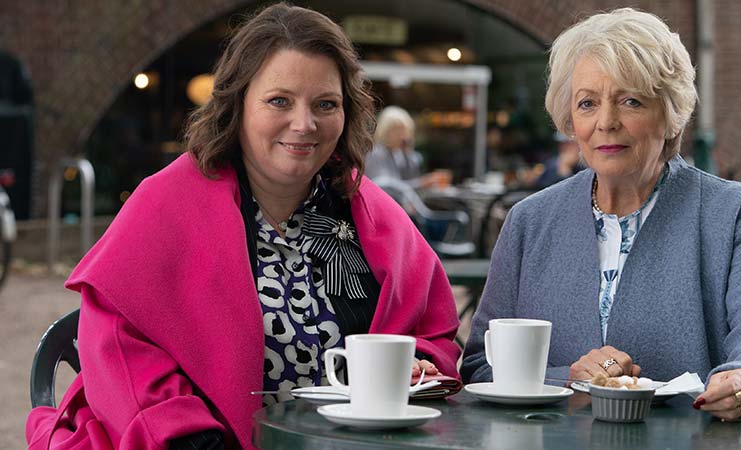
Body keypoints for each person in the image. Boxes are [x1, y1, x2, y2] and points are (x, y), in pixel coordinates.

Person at [26, 4, 460, 449]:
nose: (304, 123)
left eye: (325, 104)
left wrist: (418, 366)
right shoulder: (168, 203)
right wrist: (188, 437)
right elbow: (118, 345)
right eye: (279, 101)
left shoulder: (368, 210)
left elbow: (433, 333)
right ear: (238, 105)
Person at [461, 8, 741, 423]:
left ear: (671, 112)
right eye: (587, 103)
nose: (606, 122)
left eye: (631, 101)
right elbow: (481, 363)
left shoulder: (733, 213)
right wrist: (565, 378)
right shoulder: (529, 221)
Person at [366, 105, 450, 189]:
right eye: (398, 131)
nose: (403, 136)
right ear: (385, 131)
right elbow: (389, 188)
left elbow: (410, 177)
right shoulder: (376, 154)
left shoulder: (397, 154)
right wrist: (423, 182)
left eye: (405, 131)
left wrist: (408, 152)